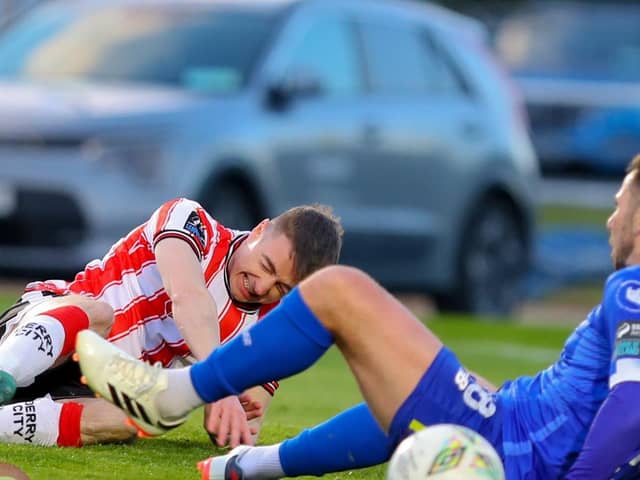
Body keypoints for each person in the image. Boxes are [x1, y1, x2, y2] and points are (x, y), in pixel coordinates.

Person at [75, 153, 640, 480]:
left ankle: (176, 393)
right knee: (421, 393)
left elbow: (631, 407)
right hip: (511, 421)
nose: (612, 215)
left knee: (340, 289)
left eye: (621, 199)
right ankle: (249, 466)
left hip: (513, 445)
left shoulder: (633, 288)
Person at [0, 197, 343, 449]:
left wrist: (227, 418)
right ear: (260, 230)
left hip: (95, 385)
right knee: (99, 314)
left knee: (142, 416)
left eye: (282, 287)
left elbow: (243, 430)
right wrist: (218, 382)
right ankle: (5, 369)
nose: (263, 288)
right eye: (267, 266)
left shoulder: (270, 327)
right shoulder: (193, 222)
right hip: (50, 325)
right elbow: (188, 298)